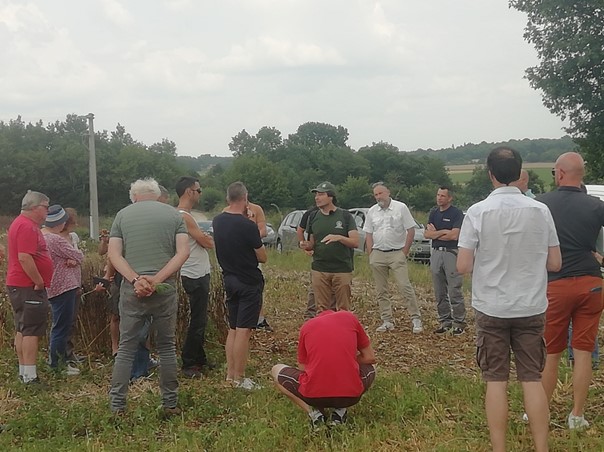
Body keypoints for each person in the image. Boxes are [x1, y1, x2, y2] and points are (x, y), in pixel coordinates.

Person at [457, 147, 561, 452]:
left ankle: (499, 449)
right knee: (532, 378)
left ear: (490, 174)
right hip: (530, 305)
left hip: (491, 307)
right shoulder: (540, 211)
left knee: (495, 380)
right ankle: (542, 448)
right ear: (519, 173)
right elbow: (555, 263)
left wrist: (489, 261)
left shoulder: (477, 212)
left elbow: (463, 265)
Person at [107, 177, 189, 416]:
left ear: (134, 197)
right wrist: (158, 279)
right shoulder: (175, 216)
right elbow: (183, 252)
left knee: (126, 348)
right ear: (157, 195)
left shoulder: (122, 215)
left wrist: (136, 280)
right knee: (166, 347)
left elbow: (114, 254)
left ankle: (117, 407)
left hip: (132, 290)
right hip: (164, 289)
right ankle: (170, 404)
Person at [537, 152, 604, 429]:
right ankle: (577, 415)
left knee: (551, 352)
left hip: (557, 283)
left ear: (560, 173)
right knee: (584, 351)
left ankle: (539, 410)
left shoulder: (541, 204)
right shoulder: (596, 205)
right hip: (592, 283)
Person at [271, 309, 376, 429]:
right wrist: (346, 361)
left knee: (276, 369)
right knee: (372, 367)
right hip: (351, 397)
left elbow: (303, 367)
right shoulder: (350, 318)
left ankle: (314, 413)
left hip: (312, 397)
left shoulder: (307, 326)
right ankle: (340, 412)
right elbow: (370, 358)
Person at [213, 182, 267, 390]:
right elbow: (262, 256)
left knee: (233, 329)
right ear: (245, 198)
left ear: (228, 199)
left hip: (229, 278)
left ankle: (230, 375)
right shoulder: (248, 226)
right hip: (248, 281)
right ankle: (240, 377)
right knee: (244, 331)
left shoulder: (218, 221)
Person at [6, 191, 53, 384]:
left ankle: (24, 371)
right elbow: (24, 257)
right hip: (28, 285)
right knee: (31, 331)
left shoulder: (24, 224)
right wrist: (39, 280)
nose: (47, 210)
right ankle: (30, 376)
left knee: (22, 328)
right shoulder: (26, 226)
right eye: (45, 206)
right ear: (34, 207)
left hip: (20, 285)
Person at [362, 182, 422, 333]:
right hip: (378, 253)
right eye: (375, 194)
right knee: (381, 290)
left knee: (404, 286)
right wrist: (371, 253)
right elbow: (368, 233)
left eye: (380, 193)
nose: (378, 197)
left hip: (397, 253)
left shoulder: (400, 208)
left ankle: (416, 319)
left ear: (388, 192)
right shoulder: (372, 211)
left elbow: (411, 230)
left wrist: (404, 251)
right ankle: (387, 320)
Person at [176, 176, 214, 378]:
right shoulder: (184, 216)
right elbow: (206, 242)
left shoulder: (184, 215)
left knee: (200, 318)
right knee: (197, 320)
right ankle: (189, 363)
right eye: (198, 190)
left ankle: (199, 359)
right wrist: (205, 238)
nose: (200, 194)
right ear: (189, 192)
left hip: (196, 271)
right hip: (194, 274)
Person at [300, 182, 358, 313]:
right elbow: (311, 244)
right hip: (320, 268)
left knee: (343, 309)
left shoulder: (345, 216)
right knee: (322, 309)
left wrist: (339, 237)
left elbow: (355, 242)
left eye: (321, 194)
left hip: (341, 269)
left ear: (331, 197)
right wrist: (305, 245)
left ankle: (343, 332)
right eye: (316, 195)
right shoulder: (313, 216)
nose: (317, 198)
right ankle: (324, 332)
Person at [42, 205, 84, 375]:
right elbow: (79, 256)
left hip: (51, 285)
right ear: (60, 222)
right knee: (61, 327)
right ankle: (58, 364)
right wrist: (73, 255)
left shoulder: (40, 236)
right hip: (64, 286)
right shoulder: (56, 239)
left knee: (58, 325)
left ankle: (58, 360)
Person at [424, 186, 466, 335]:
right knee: (439, 291)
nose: (439, 198)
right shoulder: (433, 213)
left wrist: (435, 233)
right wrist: (441, 232)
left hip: (451, 253)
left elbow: (454, 235)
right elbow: (427, 234)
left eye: (442, 196)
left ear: (449, 198)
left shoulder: (456, 214)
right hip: (436, 253)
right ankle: (445, 321)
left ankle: (459, 322)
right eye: (438, 195)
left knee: (454, 289)